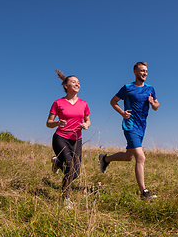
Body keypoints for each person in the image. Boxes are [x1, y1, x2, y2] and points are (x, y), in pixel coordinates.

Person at [99, 61, 160, 200]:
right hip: (130, 125)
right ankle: (144, 192)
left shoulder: (150, 89)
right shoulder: (128, 88)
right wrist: (122, 113)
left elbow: (157, 106)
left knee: (129, 157)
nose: (145, 73)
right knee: (141, 157)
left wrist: (153, 102)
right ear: (135, 72)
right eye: (142, 70)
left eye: (146, 71)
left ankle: (105, 159)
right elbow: (113, 101)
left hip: (142, 126)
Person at [46, 69, 91, 209]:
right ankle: (65, 199)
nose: (77, 84)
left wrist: (86, 125)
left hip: (76, 139)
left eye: (78, 82)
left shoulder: (83, 103)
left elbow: (88, 121)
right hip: (61, 138)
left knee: (76, 172)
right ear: (66, 86)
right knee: (70, 167)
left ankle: (58, 162)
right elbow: (48, 123)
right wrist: (57, 123)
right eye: (73, 82)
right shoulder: (58, 103)